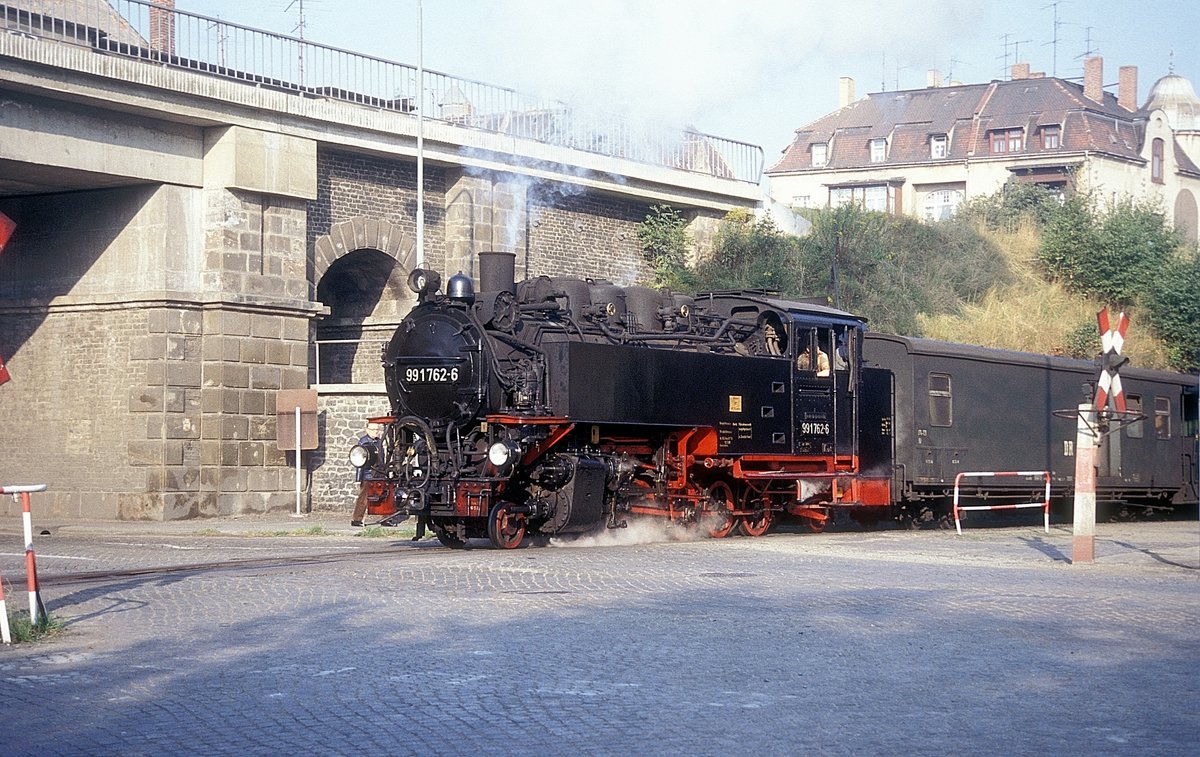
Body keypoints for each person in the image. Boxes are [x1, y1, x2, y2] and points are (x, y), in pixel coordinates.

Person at [350, 421, 383, 527]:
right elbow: (360, 460)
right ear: (367, 430)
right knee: (363, 497)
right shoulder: (364, 442)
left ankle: (386, 518)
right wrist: (360, 477)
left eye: (377, 430)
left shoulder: (378, 442)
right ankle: (357, 519)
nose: (375, 432)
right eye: (373, 430)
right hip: (368, 473)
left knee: (383, 495)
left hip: (379, 472)